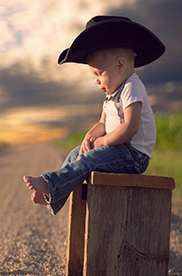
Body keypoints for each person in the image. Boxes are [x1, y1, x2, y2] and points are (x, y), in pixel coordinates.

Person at [23, 16, 166, 215]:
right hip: (118, 150)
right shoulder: (111, 94)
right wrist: (91, 135)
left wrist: (104, 141)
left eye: (99, 73)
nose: (97, 81)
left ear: (120, 66)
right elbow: (103, 122)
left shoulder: (132, 86)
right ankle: (52, 196)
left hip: (133, 156)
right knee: (76, 154)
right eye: (94, 76)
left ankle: (50, 183)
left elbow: (131, 126)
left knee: (89, 159)